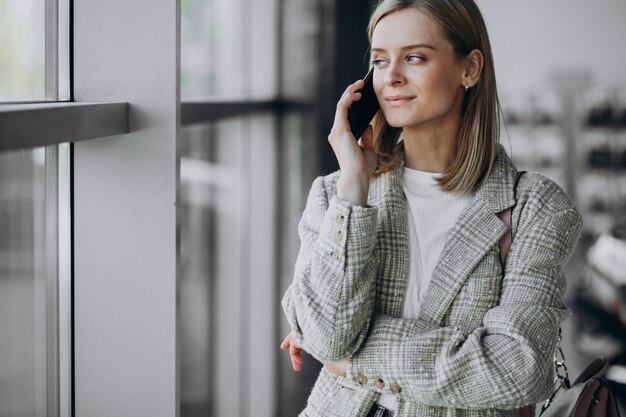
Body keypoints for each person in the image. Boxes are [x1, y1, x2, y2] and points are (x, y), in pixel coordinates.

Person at [280, 0, 583, 416]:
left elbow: (517, 369)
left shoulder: (534, 206)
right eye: (380, 61)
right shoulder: (336, 194)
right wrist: (354, 183)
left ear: (470, 69)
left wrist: (355, 358)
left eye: (415, 58)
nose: (392, 78)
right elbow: (329, 337)